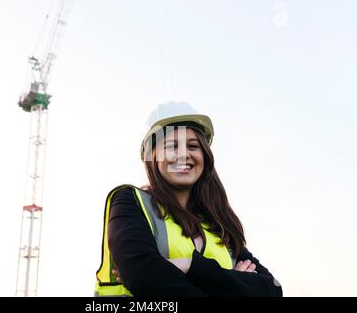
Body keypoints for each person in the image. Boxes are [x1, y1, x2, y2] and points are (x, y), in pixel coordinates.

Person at [95, 101, 282, 297]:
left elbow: (272, 290)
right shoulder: (130, 202)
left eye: (192, 146)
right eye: (171, 146)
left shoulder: (218, 225)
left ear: (204, 155)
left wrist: (189, 265)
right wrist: (232, 284)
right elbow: (143, 276)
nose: (184, 154)